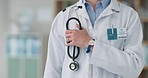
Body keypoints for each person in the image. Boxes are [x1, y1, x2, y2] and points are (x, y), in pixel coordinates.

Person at [44, 0, 144, 78]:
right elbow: (52, 71)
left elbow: (134, 67)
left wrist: (89, 43)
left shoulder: (129, 16)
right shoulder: (64, 17)